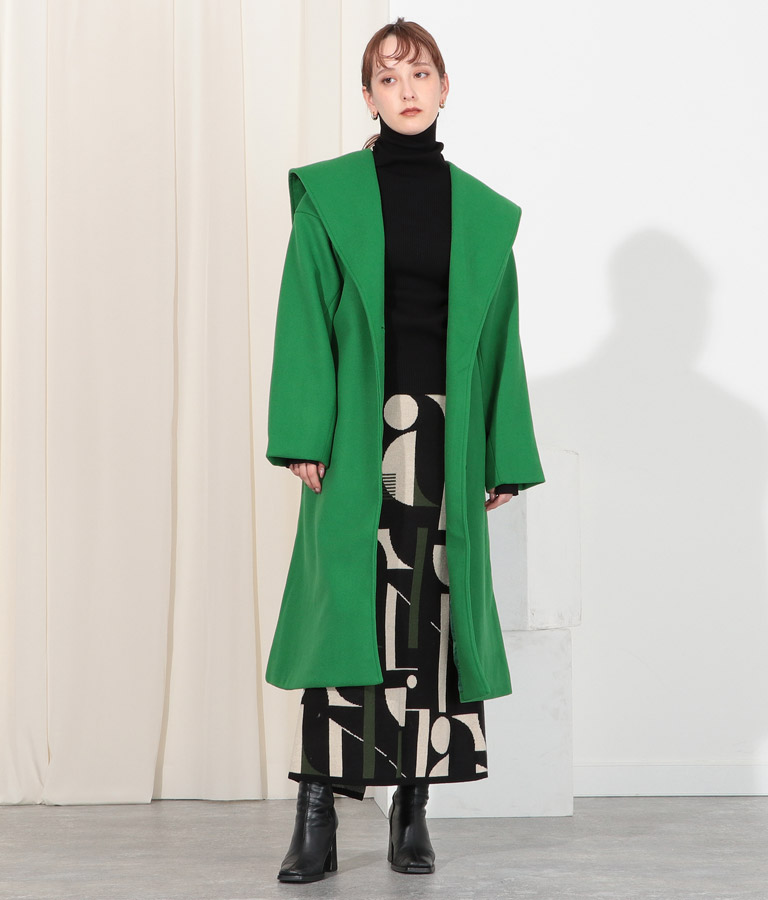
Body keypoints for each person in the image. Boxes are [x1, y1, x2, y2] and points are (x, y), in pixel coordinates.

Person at [264, 17, 545, 883]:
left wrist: (501, 450)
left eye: (420, 74)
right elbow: (304, 314)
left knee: (433, 621)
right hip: (359, 434)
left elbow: (500, 338)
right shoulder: (330, 198)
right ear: (368, 97)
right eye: (388, 79)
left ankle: (412, 808)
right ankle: (317, 811)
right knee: (346, 619)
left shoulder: (484, 214)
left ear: (445, 87)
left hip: (447, 440)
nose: (407, 90)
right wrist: (303, 433)